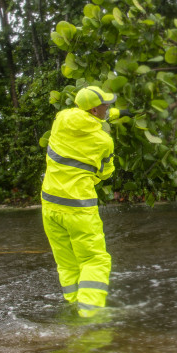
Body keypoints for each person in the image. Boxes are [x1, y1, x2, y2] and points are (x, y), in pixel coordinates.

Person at [41, 85, 117, 318]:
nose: (108, 108)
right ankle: (91, 316)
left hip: (50, 207)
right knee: (95, 261)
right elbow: (104, 174)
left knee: (67, 263)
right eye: (106, 105)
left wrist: (116, 116)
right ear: (95, 110)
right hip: (79, 209)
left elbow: (86, 118)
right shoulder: (104, 142)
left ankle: (73, 307)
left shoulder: (60, 120)